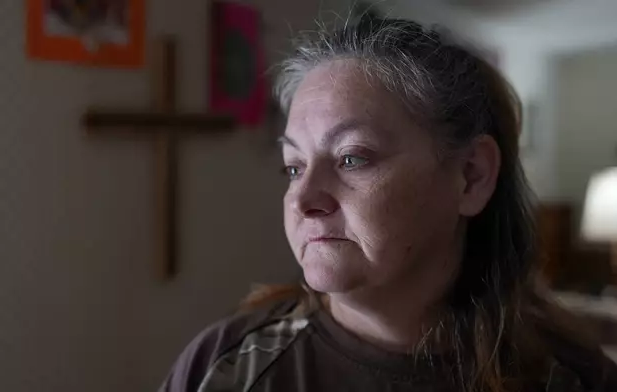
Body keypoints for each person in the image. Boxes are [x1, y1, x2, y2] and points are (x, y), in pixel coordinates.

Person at [159, 17, 617, 392]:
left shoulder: (575, 380)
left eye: (351, 157)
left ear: (472, 176)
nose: (303, 199)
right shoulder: (221, 369)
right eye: (294, 167)